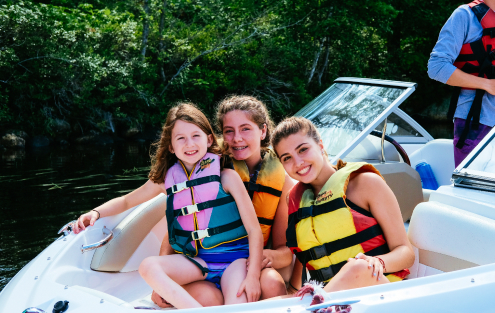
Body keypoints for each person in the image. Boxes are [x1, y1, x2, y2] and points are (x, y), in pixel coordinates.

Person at [73, 103, 263, 309]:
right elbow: (127, 201)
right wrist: (96, 213)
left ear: (209, 139)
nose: (189, 144)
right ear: (171, 146)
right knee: (148, 266)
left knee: (237, 305)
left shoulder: (227, 177)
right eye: (181, 138)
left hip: (235, 259)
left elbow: (254, 230)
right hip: (199, 262)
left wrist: (252, 275)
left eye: (195, 136)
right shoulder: (166, 180)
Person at [155, 96, 295, 307]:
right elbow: (177, 221)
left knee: (273, 284)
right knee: (209, 299)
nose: (237, 138)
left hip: (249, 260)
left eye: (246, 129)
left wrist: (265, 259)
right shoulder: (208, 167)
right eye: (229, 131)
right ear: (220, 136)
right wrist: (160, 285)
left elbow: (286, 252)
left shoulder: (283, 180)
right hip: (206, 261)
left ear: (263, 131)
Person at [271, 117, 414, 293]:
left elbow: (406, 252)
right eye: (287, 158)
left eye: (303, 149)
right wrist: (292, 294)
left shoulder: (366, 183)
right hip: (332, 299)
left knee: (359, 267)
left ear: (320, 145)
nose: (298, 163)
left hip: (379, 292)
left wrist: (378, 262)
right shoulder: (295, 201)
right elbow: (306, 257)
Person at [428, 0, 495, 167]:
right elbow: (436, 67)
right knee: (470, 189)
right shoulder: (464, 16)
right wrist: (487, 84)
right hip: (476, 121)